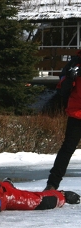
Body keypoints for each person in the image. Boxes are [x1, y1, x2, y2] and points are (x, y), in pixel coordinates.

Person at [45, 56, 81, 190]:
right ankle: (52, 185)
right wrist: (70, 78)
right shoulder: (75, 62)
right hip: (77, 113)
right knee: (67, 149)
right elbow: (62, 90)